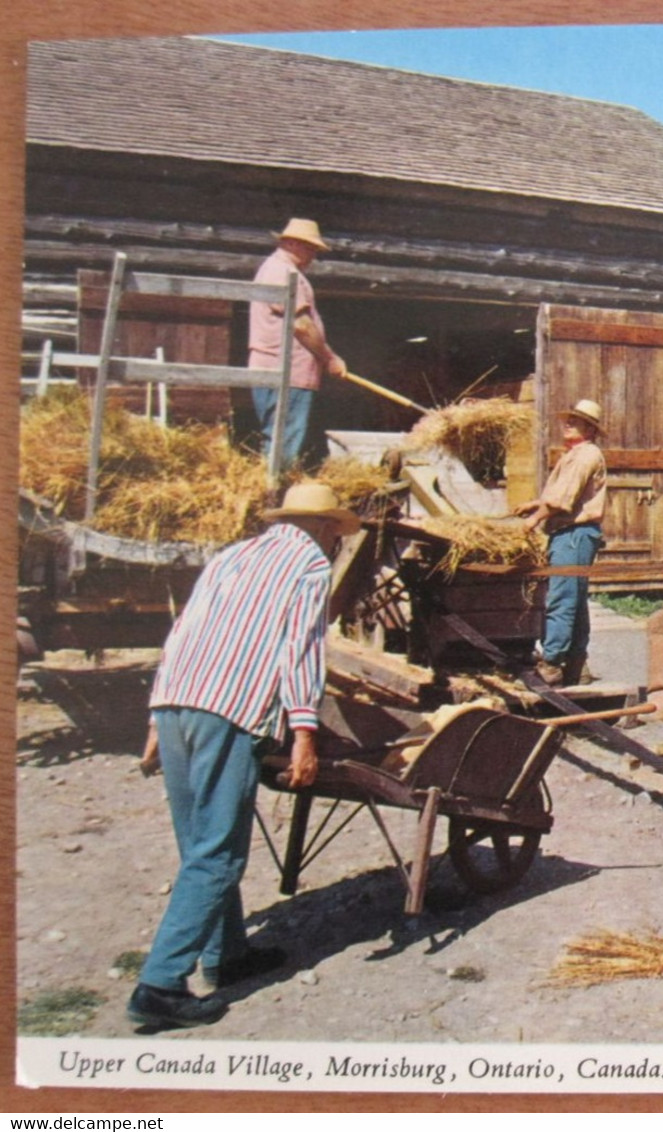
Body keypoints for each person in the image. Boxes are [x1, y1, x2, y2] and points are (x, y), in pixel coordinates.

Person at [127, 482, 359, 1030]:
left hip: (175, 700)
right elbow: (300, 650)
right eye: (335, 534)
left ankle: (225, 955)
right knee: (220, 852)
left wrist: (154, 716)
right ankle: (159, 984)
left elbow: (182, 631)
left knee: (197, 841)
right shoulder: (309, 565)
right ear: (325, 528)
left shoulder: (231, 554)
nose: (335, 544)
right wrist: (305, 732)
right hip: (228, 710)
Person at [514, 399, 607, 687]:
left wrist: (534, 520)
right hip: (573, 534)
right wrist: (534, 504)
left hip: (574, 535)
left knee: (561, 598)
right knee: (575, 600)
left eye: (575, 421)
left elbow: (563, 500)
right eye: (568, 419)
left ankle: (552, 665)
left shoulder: (585, 455)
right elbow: (562, 495)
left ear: (590, 429)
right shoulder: (576, 454)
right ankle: (578, 665)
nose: (567, 423)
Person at [249, 219, 346, 472]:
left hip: (287, 371)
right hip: (286, 372)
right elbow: (301, 325)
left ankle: (274, 494)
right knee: (283, 445)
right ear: (290, 243)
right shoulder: (281, 272)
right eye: (310, 247)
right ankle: (276, 499)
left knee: (280, 441)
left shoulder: (282, 271)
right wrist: (330, 358)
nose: (313, 255)